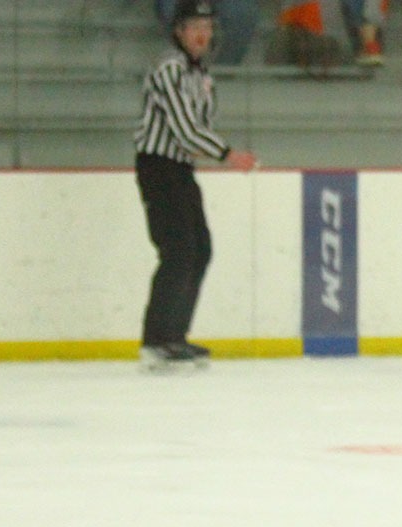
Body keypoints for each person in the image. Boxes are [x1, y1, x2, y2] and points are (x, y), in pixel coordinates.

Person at [133, 0, 259, 372]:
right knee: (178, 250)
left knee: (199, 249)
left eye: (207, 26)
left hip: (180, 168)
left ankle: (173, 336)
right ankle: (156, 341)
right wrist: (228, 154)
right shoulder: (169, 69)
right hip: (159, 166)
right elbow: (185, 129)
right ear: (178, 31)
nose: (203, 34)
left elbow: (195, 128)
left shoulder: (200, 73)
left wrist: (220, 152)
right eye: (194, 26)